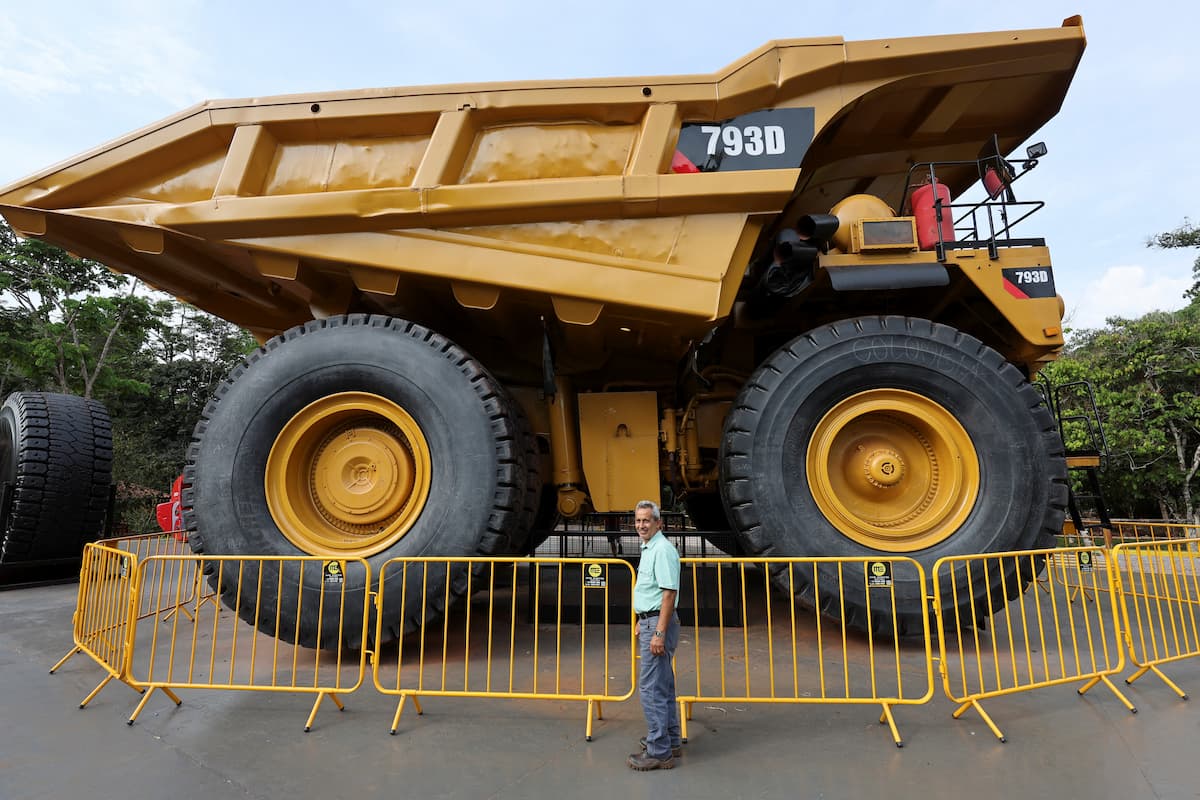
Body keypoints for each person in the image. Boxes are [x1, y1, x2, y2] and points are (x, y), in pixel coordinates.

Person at [627, 499, 682, 771]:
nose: (641, 525)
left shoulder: (661, 550)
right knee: (663, 685)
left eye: (646, 520)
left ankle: (658, 751)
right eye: (638, 520)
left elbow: (668, 593)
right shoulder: (650, 548)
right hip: (651, 622)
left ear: (659, 523)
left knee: (650, 689)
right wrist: (642, 619)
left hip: (658, 625)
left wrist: (658, 631)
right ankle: (669, 740)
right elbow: (652, 590)